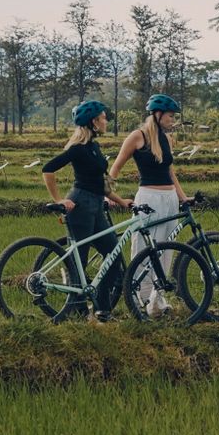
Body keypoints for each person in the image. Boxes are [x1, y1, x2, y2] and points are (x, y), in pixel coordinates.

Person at [42, 100, 130, 320]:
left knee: (113, 255)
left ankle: (102, 309)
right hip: (80, 205)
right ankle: (78, 311)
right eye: (103, 117)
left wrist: (121, 201)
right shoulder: (78, 149)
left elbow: (99, 183)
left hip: (96, 205)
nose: (106, 120)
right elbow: (48, 170)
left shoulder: (94, 147)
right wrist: (59, 200)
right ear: (93, 121)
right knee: (79, 262)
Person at [109, 94, 189, 316]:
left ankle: (157, 300)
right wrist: (108, 193)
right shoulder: (138, 136)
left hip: (169, 198)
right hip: (149, 197)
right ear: (158, 114)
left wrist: (183, 198)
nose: (172, 121)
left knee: (165, 249)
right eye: (170, 116)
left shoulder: (166, 139)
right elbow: (116, 167)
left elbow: (170, 172)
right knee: (144, 248)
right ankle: (139, 298)